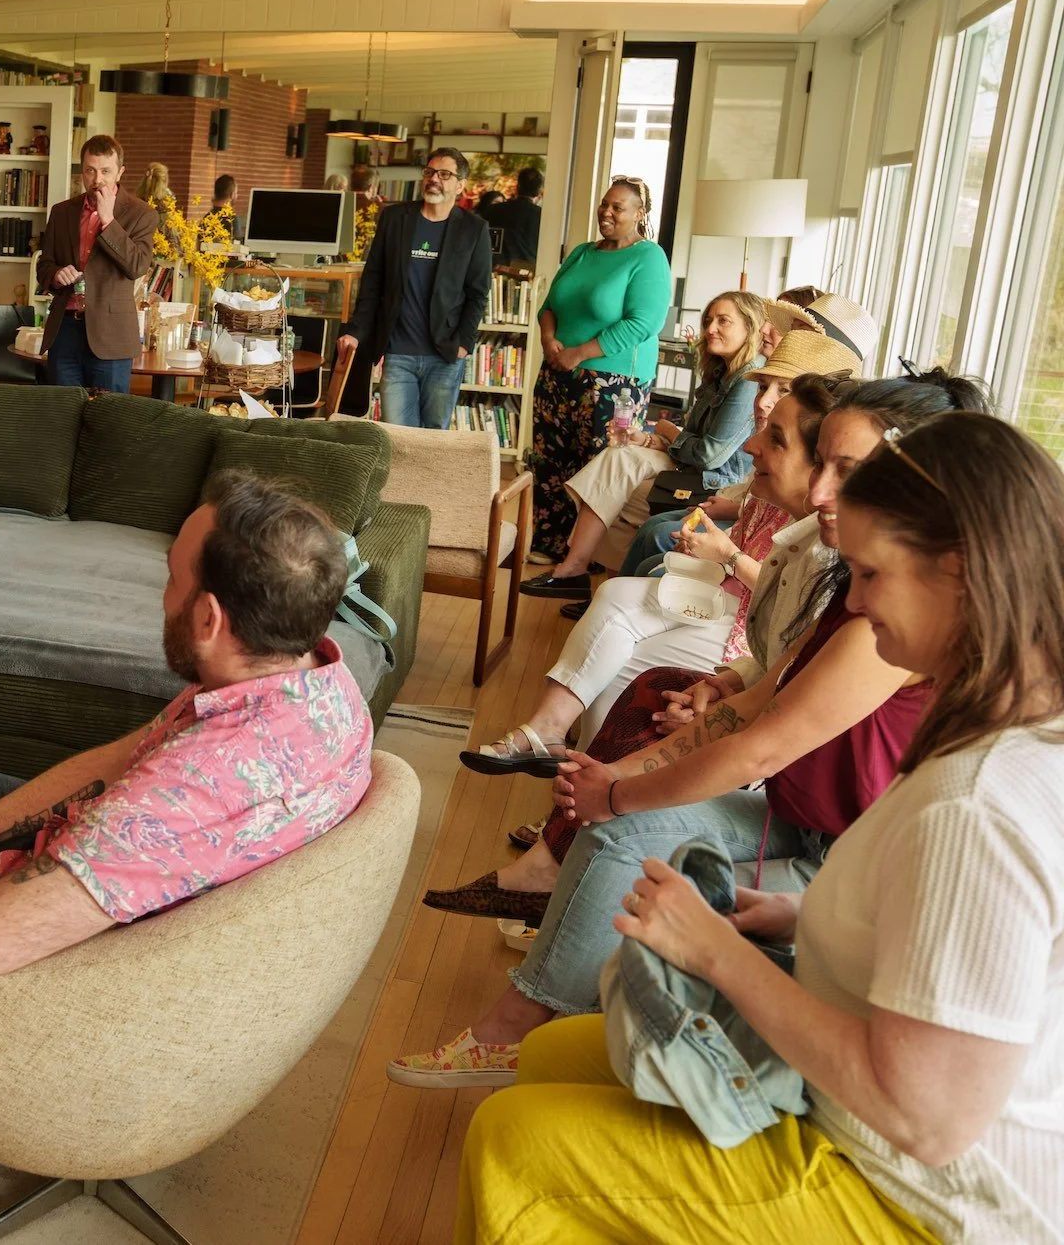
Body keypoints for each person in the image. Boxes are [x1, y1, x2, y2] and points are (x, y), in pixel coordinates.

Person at [453, 411, 1064, 1243]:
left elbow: (926, 1116)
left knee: (511, 1142)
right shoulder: (1011, 726)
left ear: (958, 572)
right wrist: (799, 917)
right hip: (881, 1116)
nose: (853, 600)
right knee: (552, 1059)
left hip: (917, 1196)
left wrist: (716, 952)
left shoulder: (979, 806)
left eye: (872, 574)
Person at [389, 373, 990, 1086]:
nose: (824, 490)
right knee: (619, 799)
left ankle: (527, 1022)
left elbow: (762, 745)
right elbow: (761, 692)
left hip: (834, 852)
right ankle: (529, 1013)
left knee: (620, 822)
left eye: (847, 472)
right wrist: (627, 778)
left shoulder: (889, 615)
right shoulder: (859, 587)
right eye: (821, 463)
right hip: (799, 820)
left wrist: (621, 792)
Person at [0, 470, 373, 980]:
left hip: (62, 938)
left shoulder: (193, 785)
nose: (161, 596)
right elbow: (119, 760)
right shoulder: (319, 682)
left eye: (171, 576)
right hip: (87, 849)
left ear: (208, 619)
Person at [457, 365, 816, 785]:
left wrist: (727, 554)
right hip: (724, 594)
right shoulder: (771, 478)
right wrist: (716, 544)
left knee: (621, 662)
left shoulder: (819, 522)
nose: (755, 435)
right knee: (613, 592)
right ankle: (548, 732)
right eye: (764, 388)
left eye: (774, 432)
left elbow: (785, 607)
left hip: (746, 626)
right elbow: (744, 528)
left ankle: (578, 797)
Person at [520, 290, 767, 597]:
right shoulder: (720, 372)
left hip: (715, 481)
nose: (710, 328)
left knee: (622, 491)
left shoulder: (749, 379)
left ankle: (593, 581)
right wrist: (652, 437)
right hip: (688, 465)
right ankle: (589, 577)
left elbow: (710, 455)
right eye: (708, 320)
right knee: (618, 456)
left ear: (750, 326)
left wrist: (668, 431)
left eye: (723, 321)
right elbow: (693, 439)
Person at [617, 301, 867, 583]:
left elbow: (710, 456)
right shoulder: (743, 385)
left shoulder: (816, 453)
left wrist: (728, 552)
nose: (776, 333)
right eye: (762, 387)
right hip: (738, 518)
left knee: (656, 543)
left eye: (802, 332)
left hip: (734, 536)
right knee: (650, 540)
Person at [526, 175, 674, 562]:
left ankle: (584, 555)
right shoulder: (582, 253)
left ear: (639, 214)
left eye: (617, 207)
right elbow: (549, 305)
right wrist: (548, 338)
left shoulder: (648, 257)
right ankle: (548, 544)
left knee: (597, 469)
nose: (606, 212)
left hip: (614, 383)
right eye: (604, 204)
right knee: (549, 461)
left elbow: (644, 322)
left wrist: (579, 353)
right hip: (558, 374)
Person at [335, 147, 492, 430]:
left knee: (433, 441)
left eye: (444, 174)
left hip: (444, 355)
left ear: (460, 185)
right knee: (397, 438)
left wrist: (463, 344)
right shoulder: (395, 218)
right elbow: (373, 280)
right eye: (430, 172)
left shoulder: (474, 229)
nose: (434, 179)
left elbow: (478, 292)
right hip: (398, 354)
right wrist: (356, 331)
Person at [36, 135, 159, 392]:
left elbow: (136, 266)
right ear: (82, 170)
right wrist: (57, 274)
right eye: (90, 170)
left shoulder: (142, 214)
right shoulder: (62, 211)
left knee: (108, 418)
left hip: (110, 335)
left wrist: (107, 221)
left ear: (120, 172)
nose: (97, 179)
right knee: (63, 414)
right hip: (65, 329)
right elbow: (44, 264)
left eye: (105, 171)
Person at [479, 167, 543, 267]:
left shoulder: (494, 210)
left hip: (497, 270)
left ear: (518, 187)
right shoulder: (542, 216)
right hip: (529, 271)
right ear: (539, 191)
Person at [206, 173, 240, 238]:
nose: (237, 196)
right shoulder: (233, 220)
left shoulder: (207, 218)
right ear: (232, 195)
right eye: (236, 193)